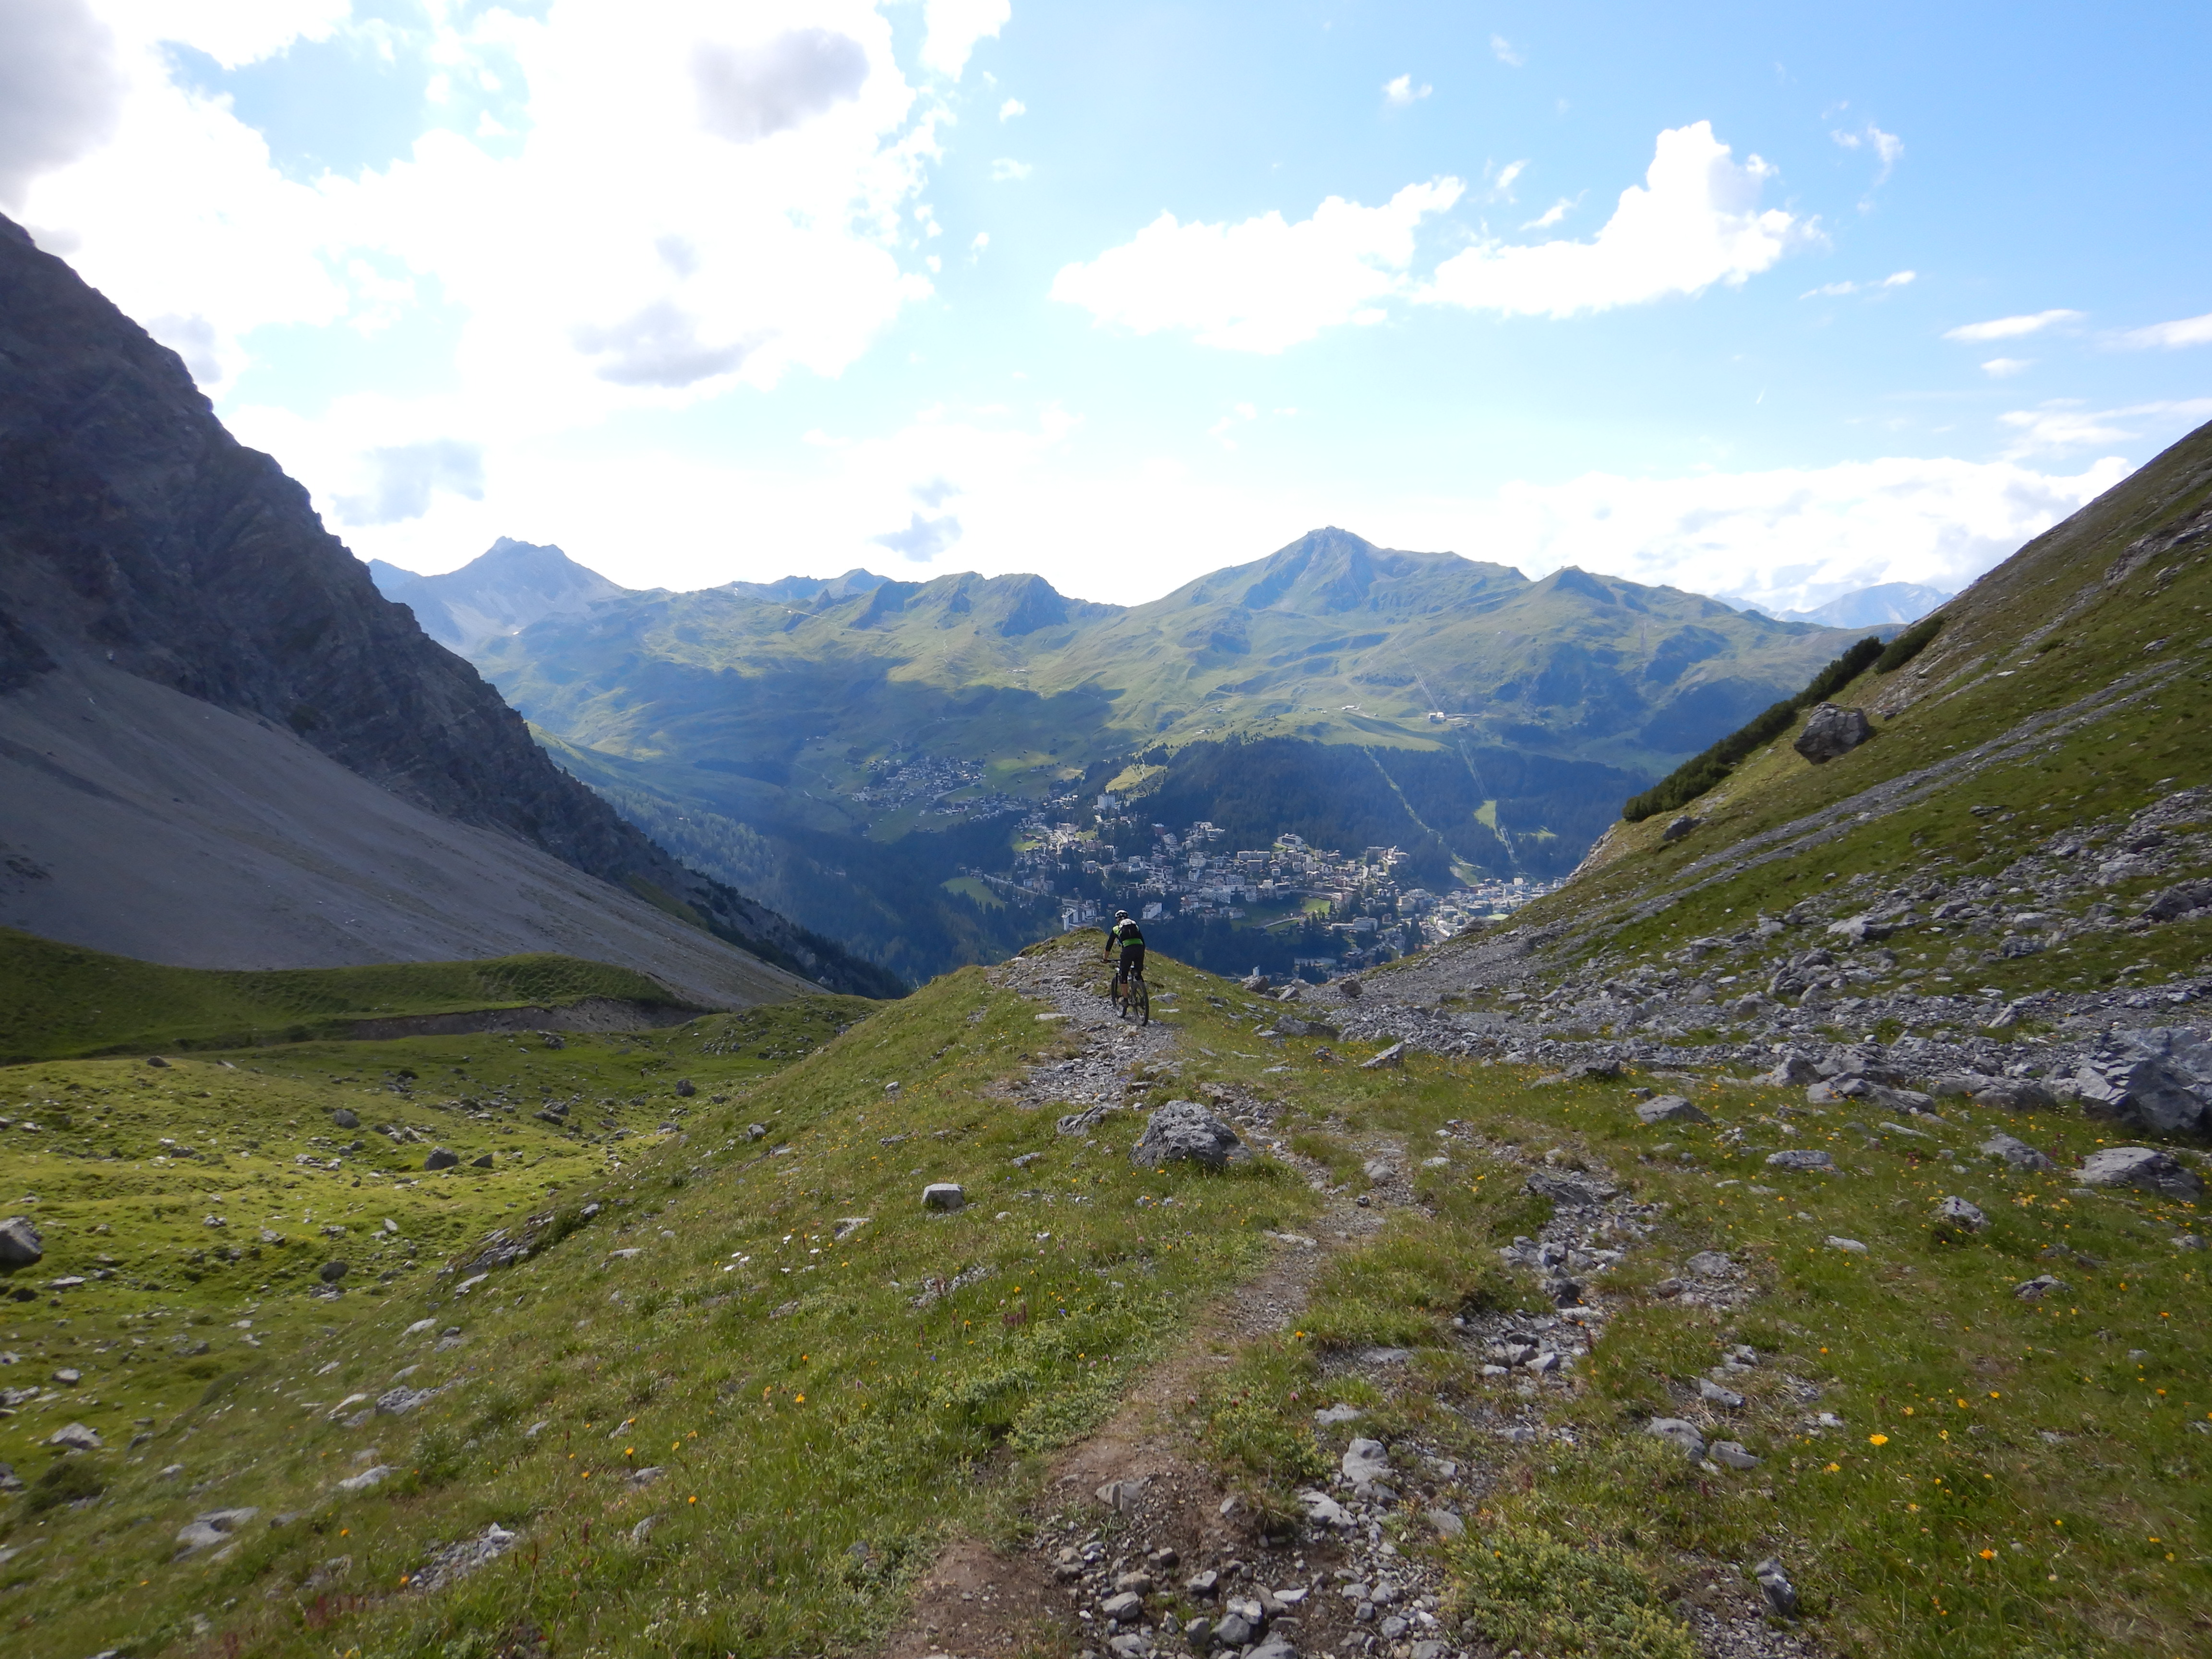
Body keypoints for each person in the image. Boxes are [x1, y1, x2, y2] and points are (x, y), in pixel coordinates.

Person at [1102, 909, 1145, 1004]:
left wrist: (1105, 959)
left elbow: (1109, 946)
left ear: (1117, 920)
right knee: (1138, 972)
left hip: (1128, 951)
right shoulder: (1135, 926)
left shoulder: (1116, 929)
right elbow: (1142, 941)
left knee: (1124, 973)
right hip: (1140, 949)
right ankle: (1143, 994)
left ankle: (1125, 1000)